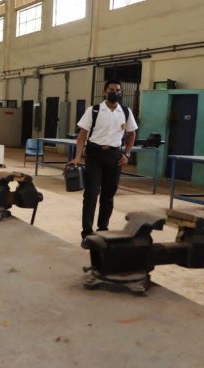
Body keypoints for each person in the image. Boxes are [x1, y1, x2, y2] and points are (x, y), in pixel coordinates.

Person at [68, 80, 138, 249]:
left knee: (109, 195)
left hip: (115, 156)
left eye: (118, 90)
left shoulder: (126, 112)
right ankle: (87, 232)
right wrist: (78, 157)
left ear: (121, 93)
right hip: (95, 154)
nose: (115, 92)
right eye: (111, 90)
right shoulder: (94, 110)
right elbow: (82, 135)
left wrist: (127, 154)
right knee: (91, 194)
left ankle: (103, 229)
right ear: (105, 92)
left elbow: (132, 134)